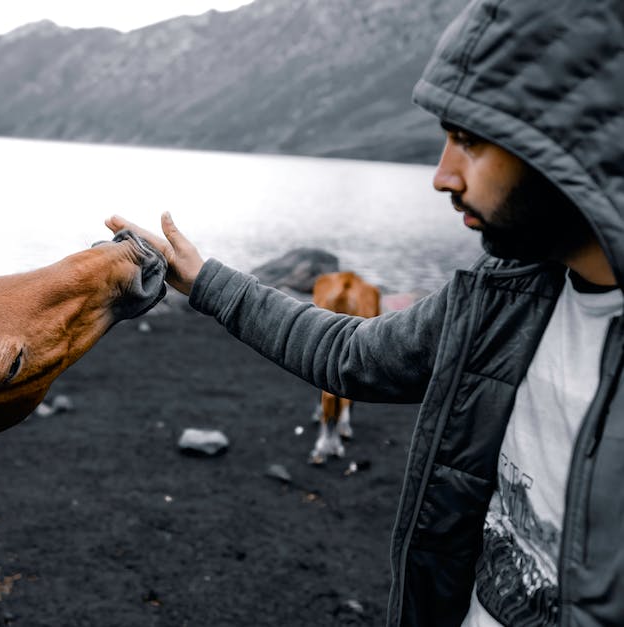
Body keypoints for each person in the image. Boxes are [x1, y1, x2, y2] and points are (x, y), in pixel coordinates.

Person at [105, 1, 624, 625]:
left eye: (470, 141)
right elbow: (349, 356)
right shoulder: (497, 299)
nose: (440, 175)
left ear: (570, 142)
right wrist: (207, 282)